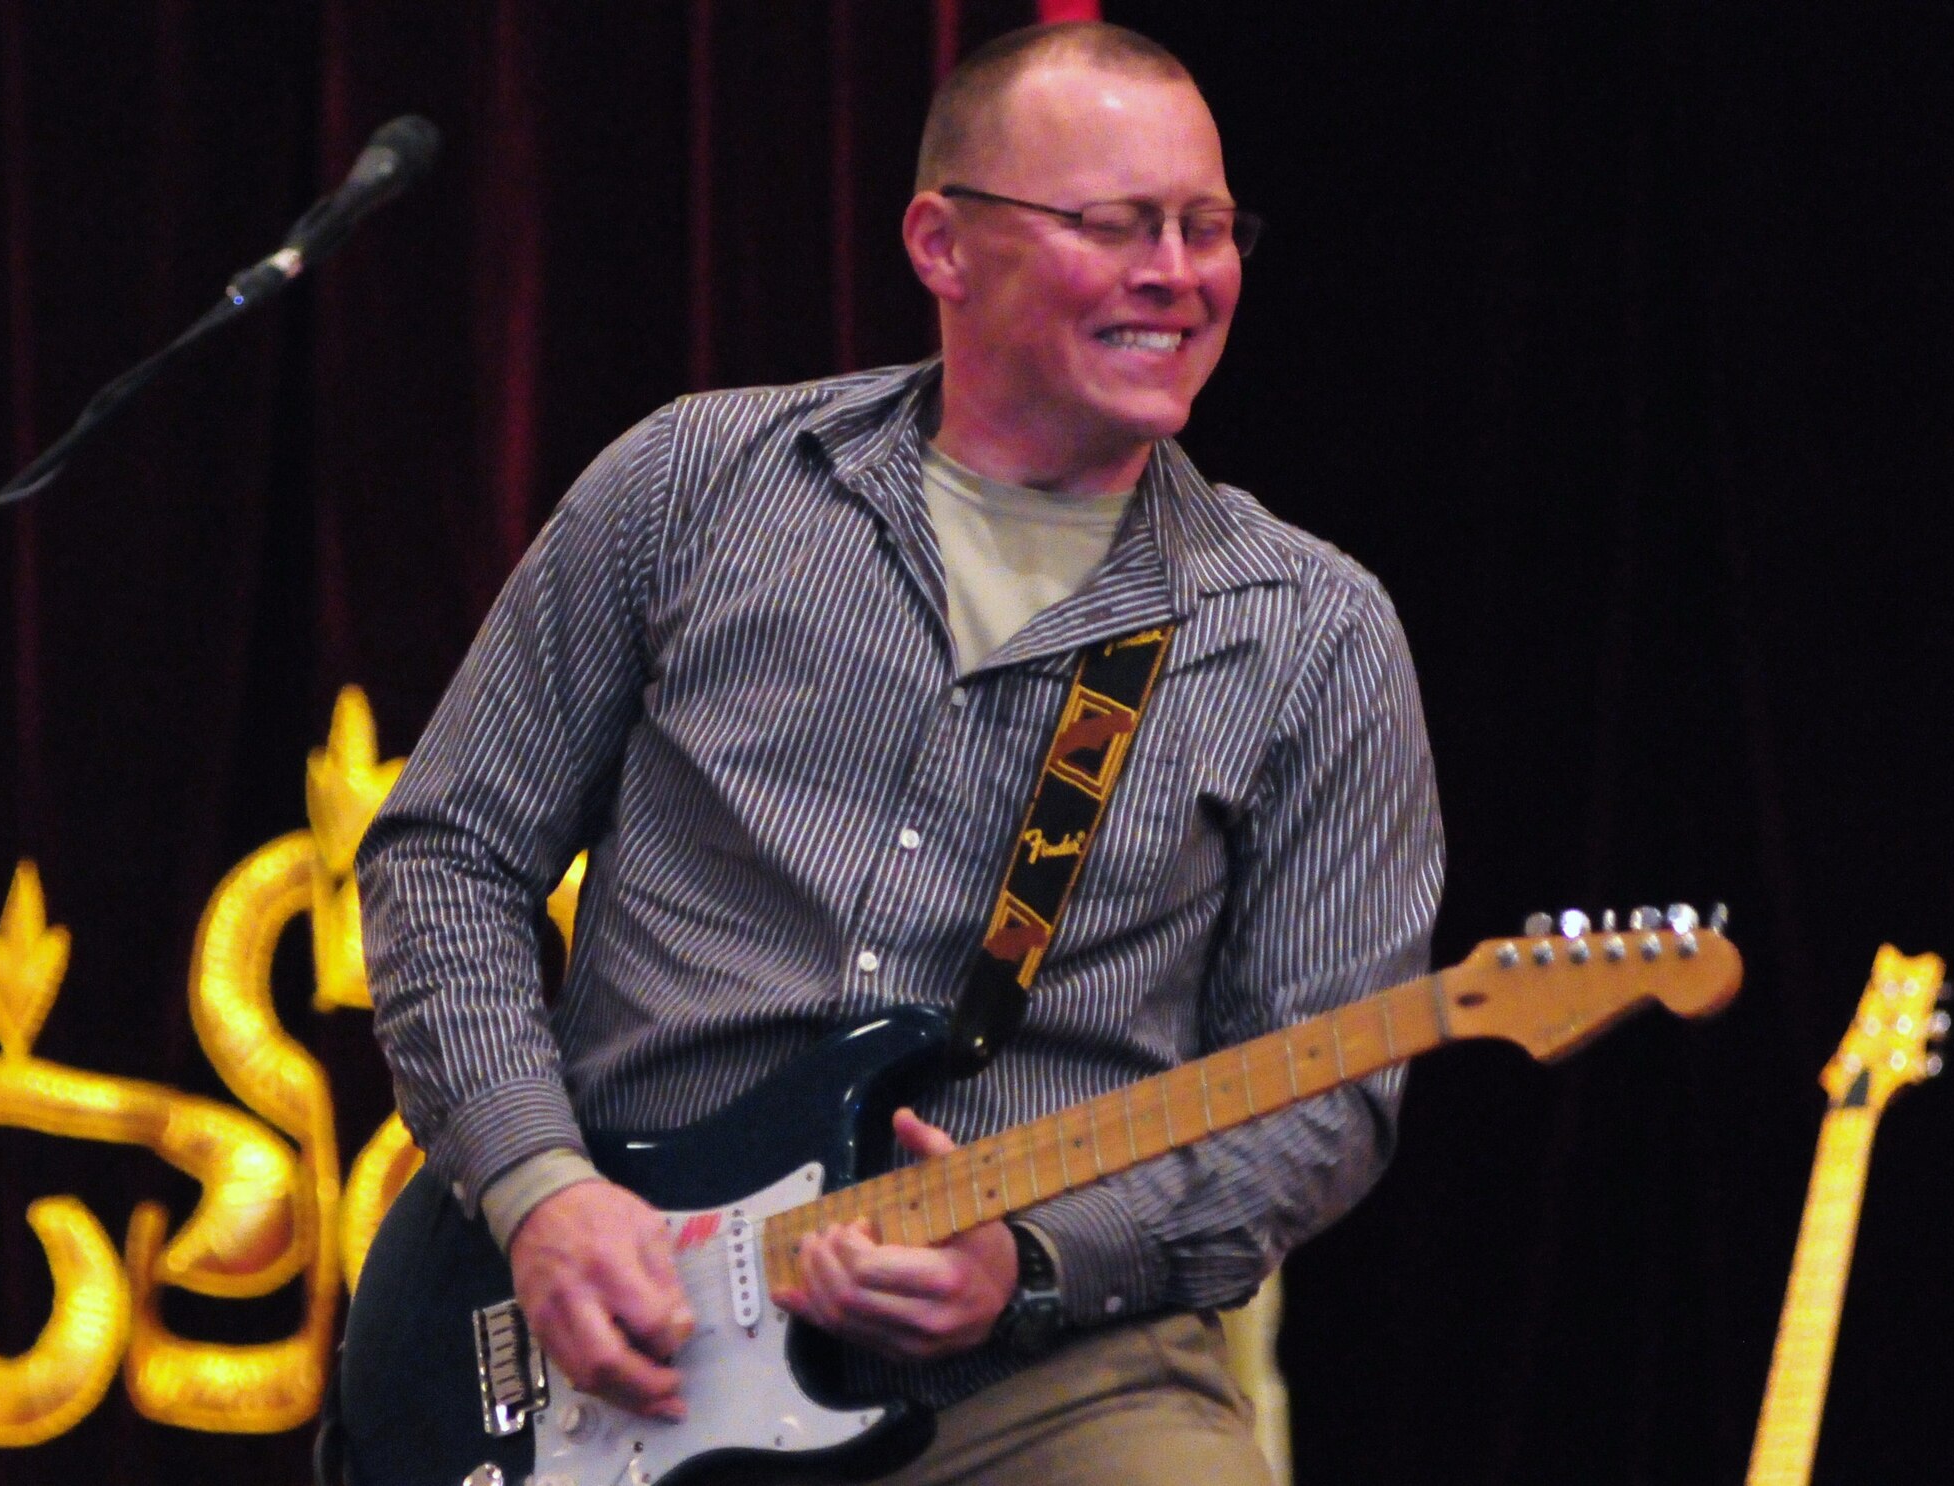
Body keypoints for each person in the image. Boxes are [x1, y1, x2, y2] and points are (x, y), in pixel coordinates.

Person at [357, 20, 1442, 1485]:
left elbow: (1323, 1098)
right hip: (623, 1326)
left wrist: (1041, 1257)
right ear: (942, 243)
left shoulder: (1313, 629)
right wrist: (542, 1191)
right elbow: (448, 852)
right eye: (1115, 226)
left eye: (1207, 226)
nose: (1180, 275)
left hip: (1048, 1378)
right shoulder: (695, 483)